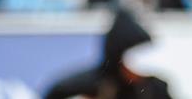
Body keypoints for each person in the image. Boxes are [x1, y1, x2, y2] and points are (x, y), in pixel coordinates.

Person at [42, 7, 173, 99]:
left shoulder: (155, 88)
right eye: (136, 61)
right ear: (120, 59)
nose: (140, 73)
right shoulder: (88, 86)